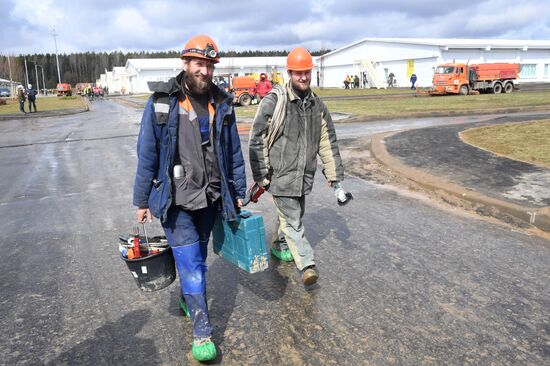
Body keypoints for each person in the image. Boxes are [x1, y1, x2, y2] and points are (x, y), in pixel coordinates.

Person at [133, 34, 246, 362]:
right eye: (199, 63)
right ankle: (202, 332)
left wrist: (237, 192)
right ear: (185, 63)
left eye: (210, 65)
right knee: (192, 264)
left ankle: (187, 296)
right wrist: (142, 201)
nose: (205, 71)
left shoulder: (222, 102)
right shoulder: (162, 102)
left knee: (196, 256)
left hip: (209, 198)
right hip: (176, 201)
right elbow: (147, 153)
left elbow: (232, 151)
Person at [249, 47, 344, 286]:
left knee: (293, 216)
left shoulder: (317, 105)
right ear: (289, 73)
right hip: (280, 177)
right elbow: (257, 137)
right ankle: (307, 264)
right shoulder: (275, 101)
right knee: (293, 221)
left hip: (304, 178)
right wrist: (261, 174)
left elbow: (327, 140)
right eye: (297, 73)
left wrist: (333, 175)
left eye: (306, 72)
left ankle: (280, 246)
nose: (303, 77)